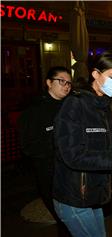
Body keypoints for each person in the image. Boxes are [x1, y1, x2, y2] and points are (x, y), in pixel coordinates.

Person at [52, 51, 112, 237]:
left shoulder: (106, 105)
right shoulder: (74, 104)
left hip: (93, 195)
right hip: (73, 197)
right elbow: (73, 156)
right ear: (96, 74)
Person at [17, 66, 72, 237]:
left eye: (69, 83)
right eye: (61, 81)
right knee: (64, 220)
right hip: (49, 172)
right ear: (49, 83)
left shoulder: (71, 106)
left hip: (72, 171)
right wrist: (56, 147)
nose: (66, 85)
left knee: (72, 220)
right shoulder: (34, 110)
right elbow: (28, 146)